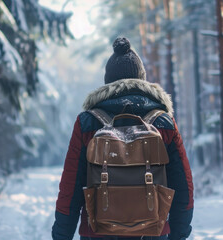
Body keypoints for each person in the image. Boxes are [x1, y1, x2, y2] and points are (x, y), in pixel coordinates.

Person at [52, 37, 194, 240]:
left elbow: (71, 184)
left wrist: (61, 234)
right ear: (142, 79)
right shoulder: (163, 121)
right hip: (153, 230)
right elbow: (183, 183)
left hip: (98, 231)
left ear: (108, 81)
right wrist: (179, 233)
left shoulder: (88, 122)